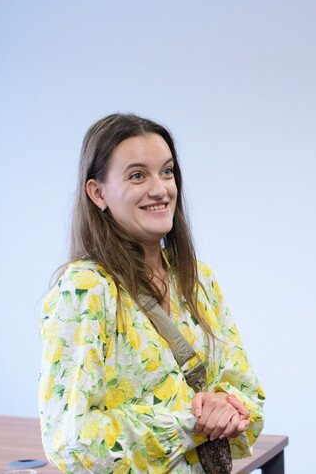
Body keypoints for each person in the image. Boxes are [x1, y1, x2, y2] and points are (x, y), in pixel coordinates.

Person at [39, 114, 265, 472]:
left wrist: (228, 410)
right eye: (137, 175)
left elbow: (250, 401)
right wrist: (193, 423)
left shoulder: (197, 280)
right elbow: (70, 439)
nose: (160, 189)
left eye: (167, 171)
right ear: (98, 193)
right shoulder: (86, 290)